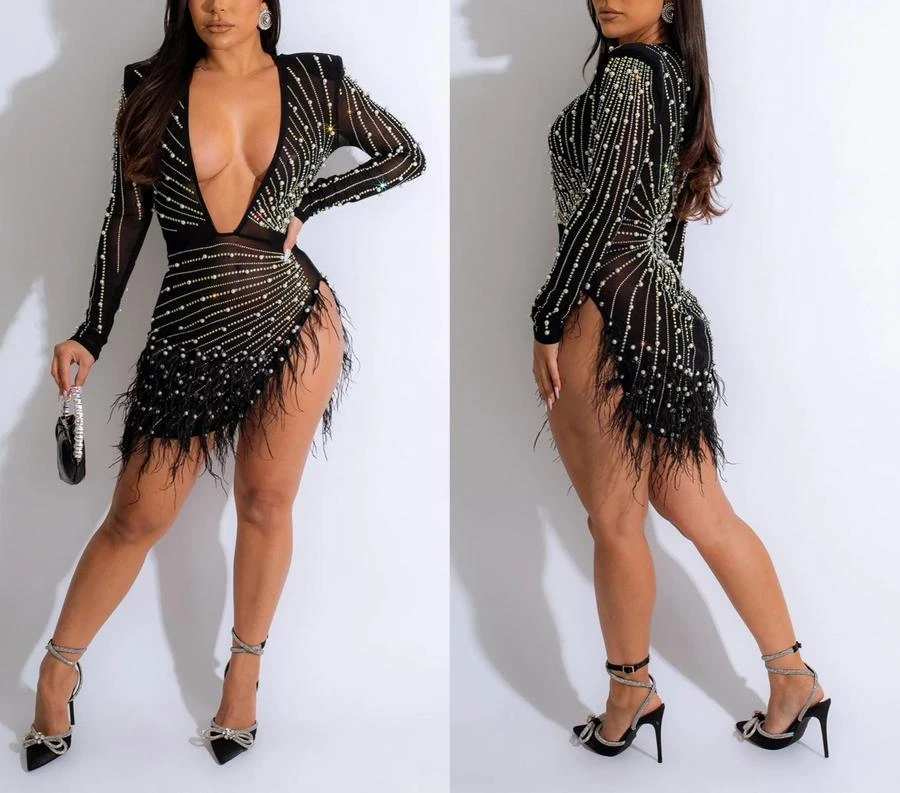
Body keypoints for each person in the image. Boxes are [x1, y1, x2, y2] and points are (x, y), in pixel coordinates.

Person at [24, 0, 425, 771]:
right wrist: (90, 332)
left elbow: (404, 154)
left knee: (267, 503)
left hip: (296, 320)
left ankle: (244, 674)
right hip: (192, 326)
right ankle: (58, 668)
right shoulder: (150, 88)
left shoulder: (317, 81)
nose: (216, 5)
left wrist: (312, 201)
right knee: (137, 513)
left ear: (267, 6)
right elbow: (126, 217)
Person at [529, 0, 829, 761]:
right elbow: (659, 225)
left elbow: (601, 215)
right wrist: (660, 317)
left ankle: (629, 692)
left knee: (614, 523)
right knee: (705, 514)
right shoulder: (675, 75)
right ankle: (794, 679)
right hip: (661, 310)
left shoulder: (634, 72)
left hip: (606, 312)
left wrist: (548, 317)